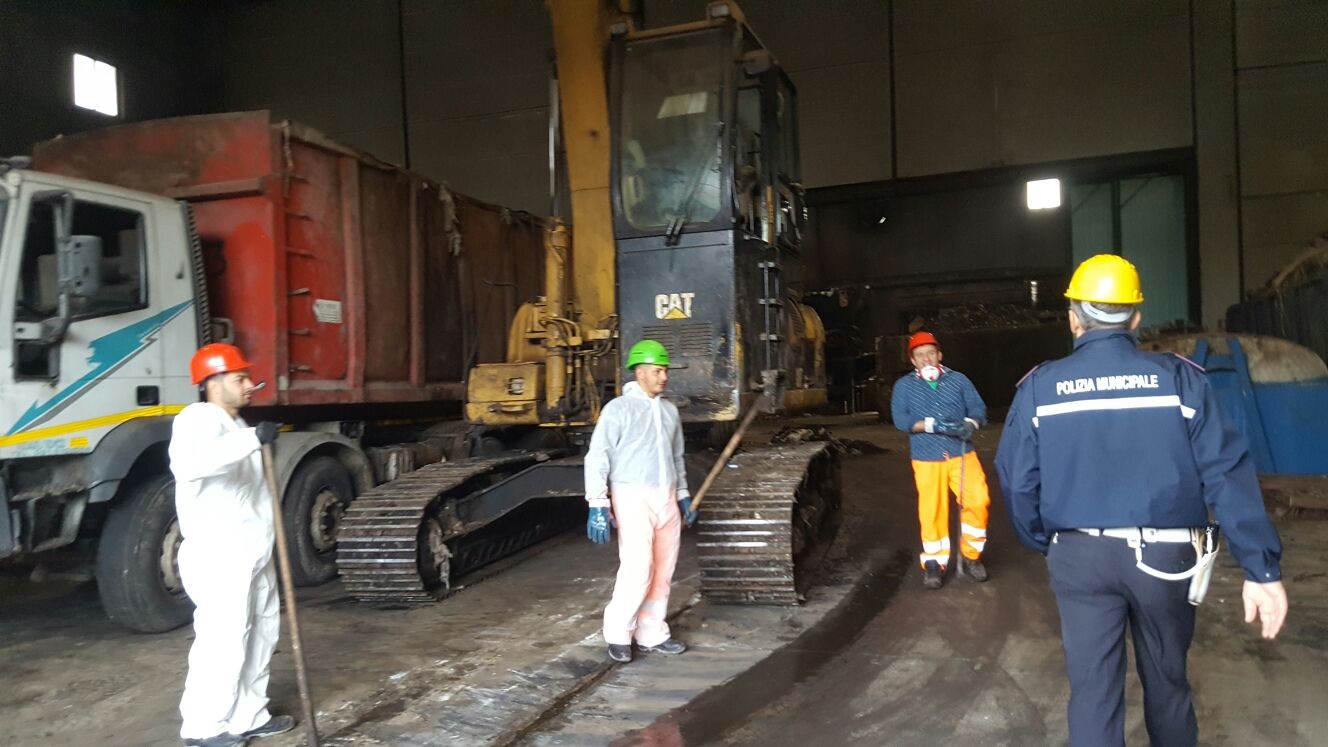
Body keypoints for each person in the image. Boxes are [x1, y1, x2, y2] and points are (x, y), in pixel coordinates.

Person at [995, 254, 1289, 747]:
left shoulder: (1040, 389)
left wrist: (1047, 541)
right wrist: (1261, 569)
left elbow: (1016, 479)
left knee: (1092, 695)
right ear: (1135, 318)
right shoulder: (1180, 379)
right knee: (1169, 686)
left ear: (1073, 318)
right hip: (1166, 559)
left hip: (1080, 557)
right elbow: (1226, 474)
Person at [171, 343, 294, 747]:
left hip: (253, 552)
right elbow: (191, 464)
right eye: (240, 378)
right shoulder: (197, 419)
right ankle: (203, 728)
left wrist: (251, 437)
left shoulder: (236, 424)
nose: (249, 385)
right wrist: (252, 440)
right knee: (222, 641)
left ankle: (248, 716)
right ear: (213, 382)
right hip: (219, 556)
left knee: (262, 633)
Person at [584, 339, 696, 663]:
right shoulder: (618, 409)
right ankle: (618, 633)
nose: (664, 377)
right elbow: (598, 456)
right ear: (641, 372)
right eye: (658, 371)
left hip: (666, 497)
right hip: (632, 495)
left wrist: (683, 495)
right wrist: (597, 503)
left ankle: (652, 633)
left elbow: (676, 457)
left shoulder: (670, 411)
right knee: (638, 567)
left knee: (664, 568)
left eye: (665, 371)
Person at [890, 330, 993, 590]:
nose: (926, 359)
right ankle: (934, 563)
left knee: (978, 499)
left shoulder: (959, 380)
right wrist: (932, 425)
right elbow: (901, 420)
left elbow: (978, 409)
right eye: (920, 355)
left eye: (930, 353)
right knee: (932, 509)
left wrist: (971, 423)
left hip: (960, 450)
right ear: (913, 360)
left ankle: (971, 555)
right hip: (926, 455)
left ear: (940, 355)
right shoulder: (904, 386)